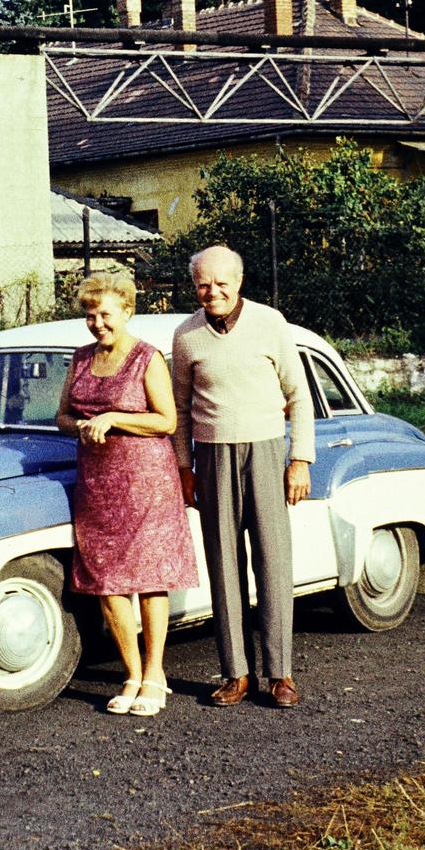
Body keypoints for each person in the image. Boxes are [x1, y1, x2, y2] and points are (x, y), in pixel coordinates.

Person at [171, 245, 314, 709]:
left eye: (220, 283)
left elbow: (299, 395)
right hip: (211, 458)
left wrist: (300, 460)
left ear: (239, 281)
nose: (212, 292)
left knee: (273, 560)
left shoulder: (271, 323)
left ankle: (280, 674)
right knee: (224, 563)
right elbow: (178, 409)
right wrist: (184, 468)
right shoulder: (186, 335)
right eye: (202, 284)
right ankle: (236, 672)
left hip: (268, 453)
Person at [56, 272, 198, 717]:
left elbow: (167, 422)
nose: (97, 323)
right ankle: (131, 673)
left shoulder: (146, 358)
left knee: (149, 577)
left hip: (146, 481)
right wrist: (80, 425)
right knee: (107, 579)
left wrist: (114, 417)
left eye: (105, 314)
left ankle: (155, 673)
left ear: (127, 312)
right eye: (89, 314)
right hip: (97, 482)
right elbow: (61, 416)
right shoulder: (80, 359)